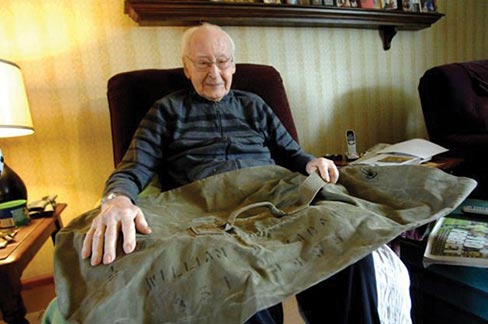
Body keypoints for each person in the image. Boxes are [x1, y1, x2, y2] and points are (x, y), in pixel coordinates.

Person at [81, 23, 379, 324]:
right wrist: (116, 199)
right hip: (209, 213)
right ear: (187, 68)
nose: (214, 73)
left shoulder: (254, 105)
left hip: (275, 200)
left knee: (348, 245)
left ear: (232, 65)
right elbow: (133, 167)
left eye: (222, 62)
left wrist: (310, 162)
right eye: (202, 63)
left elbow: (292, 152)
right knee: (235, 280)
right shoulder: (166, 111)